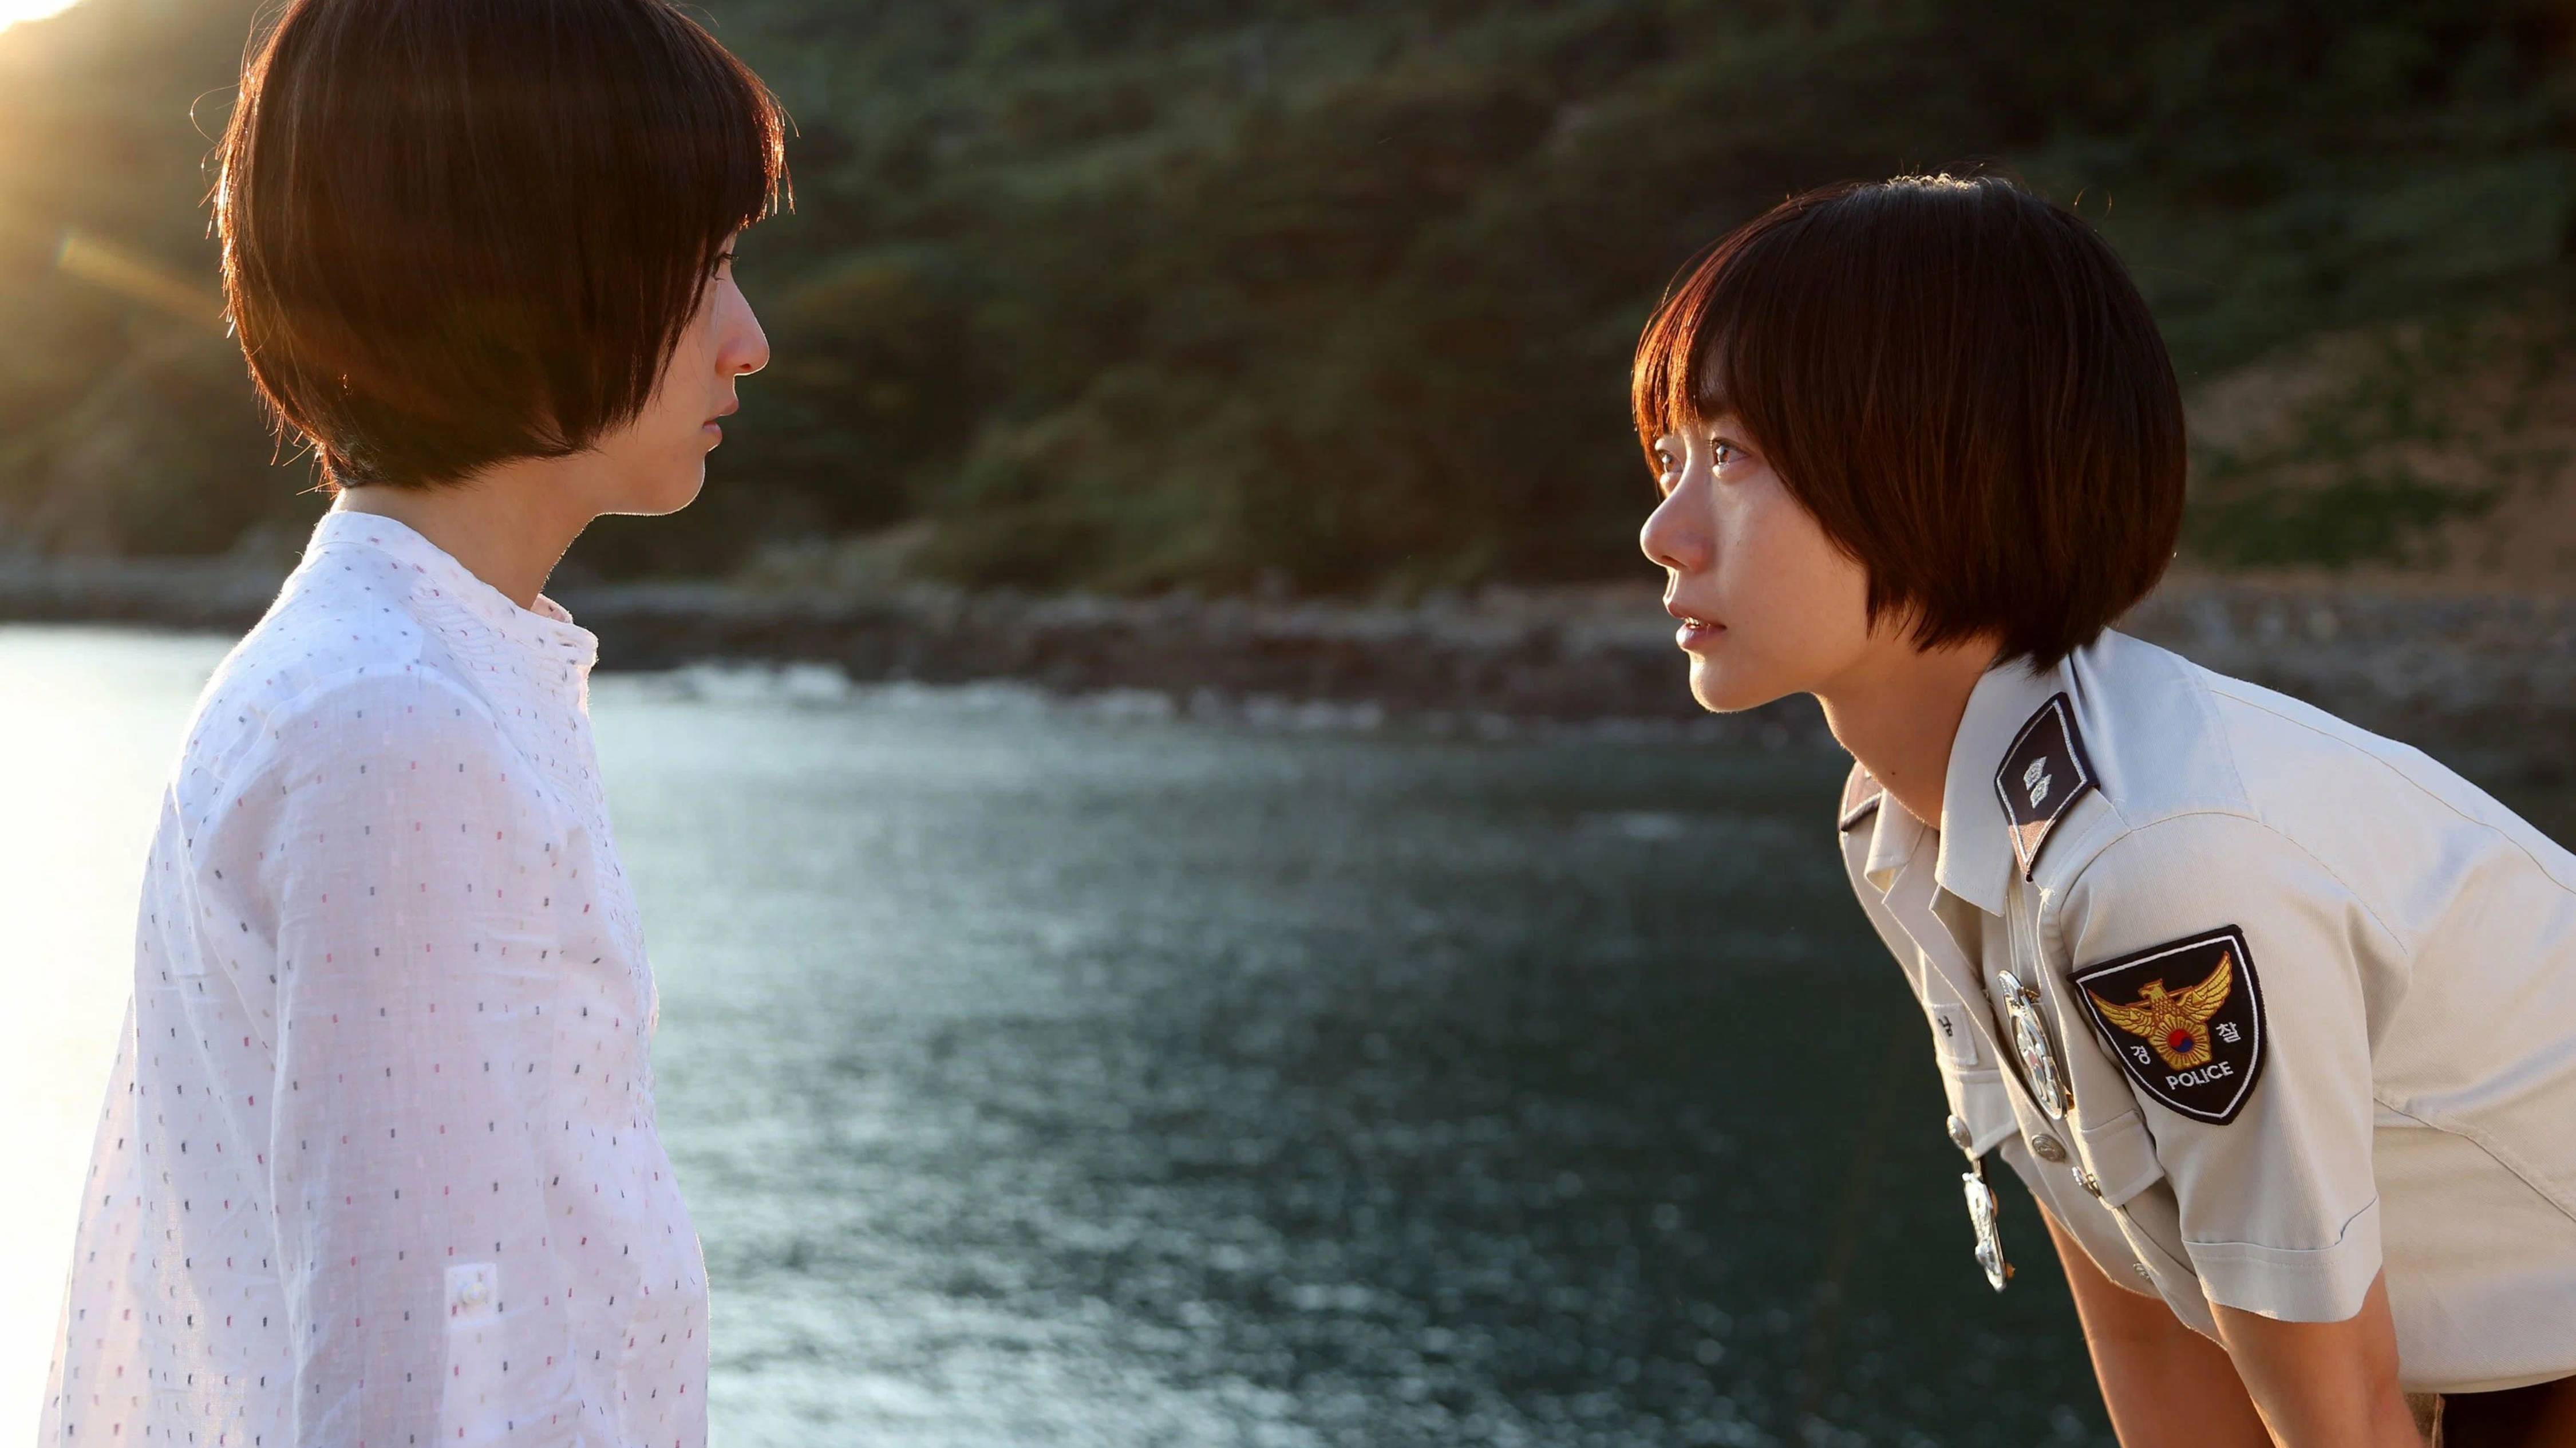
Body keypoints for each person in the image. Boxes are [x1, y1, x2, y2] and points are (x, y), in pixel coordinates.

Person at [1634, 174, 2576, 1447]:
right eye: (1670, 458)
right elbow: (2144, 1293)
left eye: (1731, 455)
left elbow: (2339, 1407)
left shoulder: (2156, 866)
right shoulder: (1908, 828)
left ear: (1949, 465)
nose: (1665, 530)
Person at [37, 1, 782, 1443]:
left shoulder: (412, 674)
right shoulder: (396, 726)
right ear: (528, 270)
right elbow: (411, 1383)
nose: (748, 340)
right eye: (703, 269)